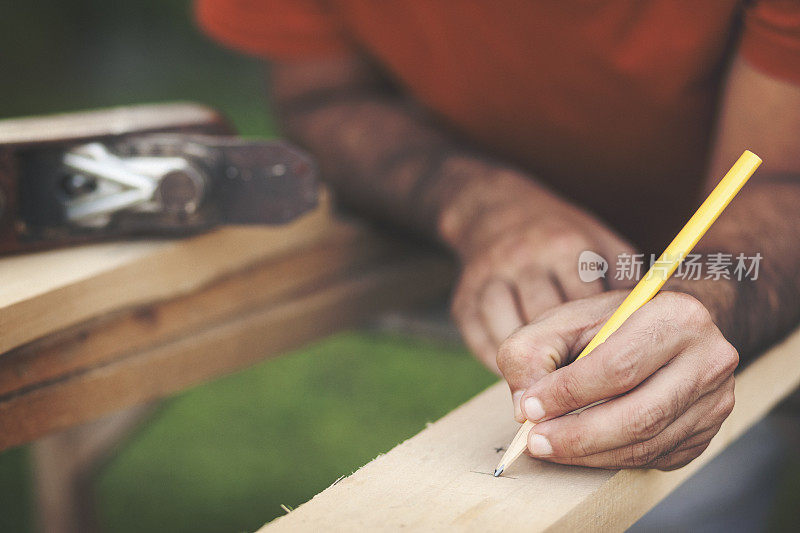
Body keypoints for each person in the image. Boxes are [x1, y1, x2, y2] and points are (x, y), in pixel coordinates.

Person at [197, 0, 800, 483]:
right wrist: (481, 204)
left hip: (725, 251)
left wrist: (706, 304)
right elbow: (322, 96)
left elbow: (781, 177)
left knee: (690, 489)